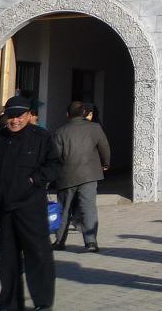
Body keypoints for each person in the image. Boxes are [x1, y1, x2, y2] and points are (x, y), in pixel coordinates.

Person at [0, 96, 59, 311]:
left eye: (19, 116)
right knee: (7, 260)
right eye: (10, 117)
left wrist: (35, 180)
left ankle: (42, 302)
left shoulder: (41, 137)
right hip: (3, 211)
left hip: (30, 208)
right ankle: (10, 304)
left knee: (38, 255)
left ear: (29, 115)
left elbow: (54, 166)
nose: (14, 121)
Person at [52, 99, 111, 252]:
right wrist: (105, 163)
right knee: (88, 208)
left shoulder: (60, 131)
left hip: (66, 175)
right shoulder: (95, 128)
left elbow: (56, 155)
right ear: (84, 113)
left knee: (64, 209)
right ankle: (91, 242)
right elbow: (104, 147)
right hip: (89, 174)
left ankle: (59, 241)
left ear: (67, 114)